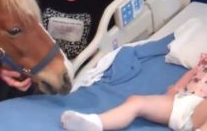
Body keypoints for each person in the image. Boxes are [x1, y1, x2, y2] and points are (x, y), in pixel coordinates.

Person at [61, 53, 207, 131]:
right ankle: (96, 122)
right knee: (136, 101)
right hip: (184, 103)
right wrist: (175, 89)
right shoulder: (204, 60)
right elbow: (191, 73)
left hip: (202, 109)